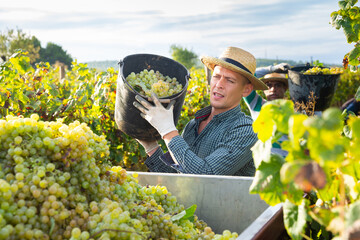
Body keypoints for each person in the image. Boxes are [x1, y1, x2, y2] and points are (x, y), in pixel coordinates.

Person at [133, 46, 268, 176]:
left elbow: (205, 176)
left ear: (246, 90)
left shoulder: (246, 130)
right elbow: (180, 178)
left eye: (230, 80)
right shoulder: (193, 125)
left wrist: (168, 131)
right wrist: (151, 147)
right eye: (216, 76)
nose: (219, 84)